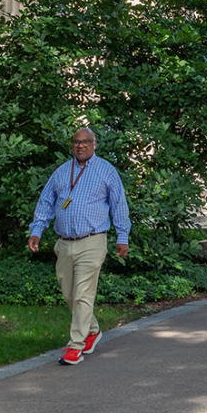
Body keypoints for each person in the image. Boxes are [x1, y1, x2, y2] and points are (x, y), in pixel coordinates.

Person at [28, 128, 131, 365]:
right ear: (72, 145)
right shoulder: (62, 172)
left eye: (86, 142)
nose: (80, 146)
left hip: (93, 240)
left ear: (95, 144)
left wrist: (122, 236)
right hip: (64, 243)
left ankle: (75, 346)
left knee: (84, 293)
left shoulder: (106, 170)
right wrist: (36, 231)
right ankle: (92, 330)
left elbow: (119, 204)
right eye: (76, 142)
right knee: (70, 294)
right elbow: (46, 201)